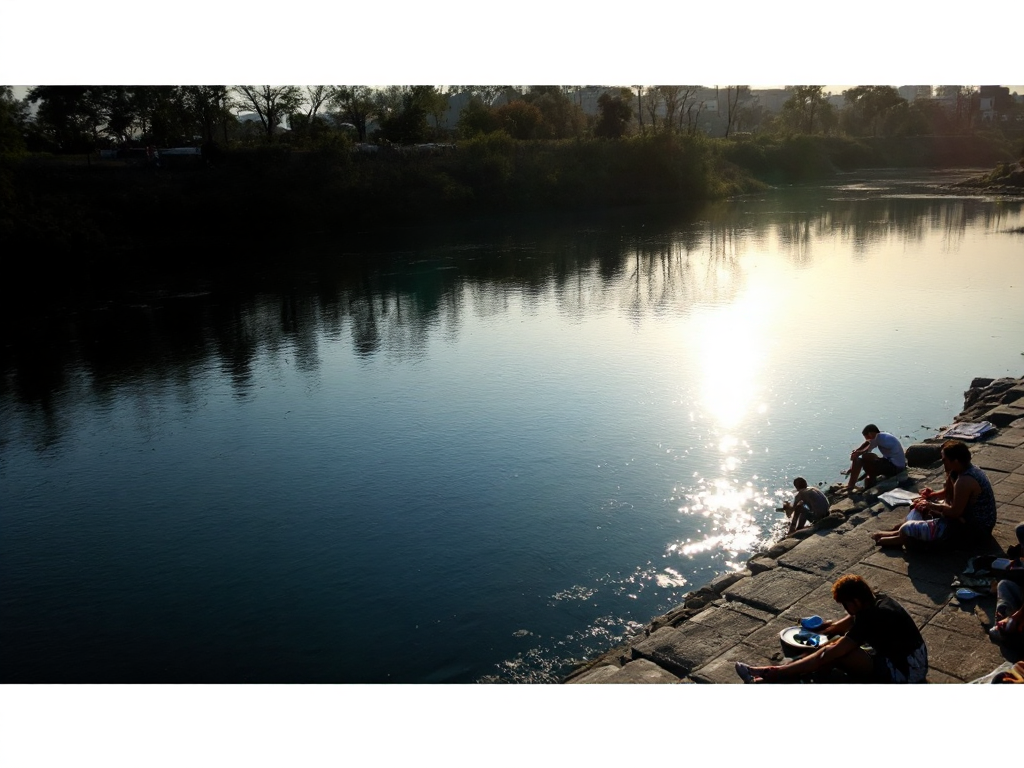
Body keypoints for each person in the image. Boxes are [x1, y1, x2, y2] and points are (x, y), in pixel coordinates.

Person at [734, 574, 928, 683]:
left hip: (907, 672)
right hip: (908, 659)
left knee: (834, 652)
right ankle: (795, 674)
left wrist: (823, 647)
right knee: (832, 645)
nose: (846, 609)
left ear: (856, 601)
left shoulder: (872, 616)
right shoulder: (876, 600)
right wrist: (826, 631)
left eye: (846, 604)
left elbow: (835, 650)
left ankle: (776, 673)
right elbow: (851, 620)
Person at [870, 440, 996, 549]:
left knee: (916, 521)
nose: (943, 463)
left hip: (974, 529)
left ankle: (897, 537)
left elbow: (955, 512)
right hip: (962, 519)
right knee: (918, 508)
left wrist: (931, 506)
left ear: (956, 461)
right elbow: (950, 493)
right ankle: (896, 534)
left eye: (945, 460)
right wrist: (932, 495)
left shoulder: (965, 480)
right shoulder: (962, 471)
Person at [845, 424, 907, 493]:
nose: (867, 439)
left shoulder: (881, 439)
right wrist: (857, 451)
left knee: (864, 458)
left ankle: (852, 485)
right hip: (894, 463)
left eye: (867, 437)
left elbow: (866, 448)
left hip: (896, 467)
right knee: (861, 458)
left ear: (870, 434)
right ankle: (852, 484)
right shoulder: (881, 436)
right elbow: (867, 445)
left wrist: (857, 453)